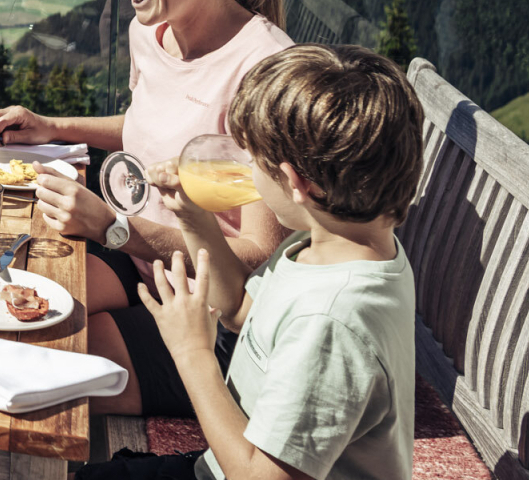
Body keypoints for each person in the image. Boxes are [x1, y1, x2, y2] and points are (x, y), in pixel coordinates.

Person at [0, 0, 293, 417]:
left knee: (31, 379)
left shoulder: (265, 69)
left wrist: (114, 226)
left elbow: (257, 253)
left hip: (213, 313)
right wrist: (54, 127)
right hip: (143, 260)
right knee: (7, 310)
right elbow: (150, 126)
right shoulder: (150, 29)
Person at [82, 44, 422, 480]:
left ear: (298, 184)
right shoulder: (332, 243)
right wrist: (195, 217)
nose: (246, 172)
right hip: (225, 461)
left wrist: (192, 352)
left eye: (253, 160)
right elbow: (242, 311)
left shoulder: (332, 321)